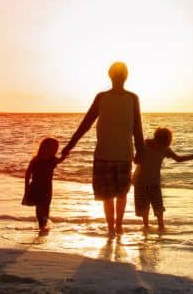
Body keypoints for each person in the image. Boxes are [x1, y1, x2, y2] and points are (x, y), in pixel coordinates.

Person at [61, 62, 144, 237]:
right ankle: (113, 228)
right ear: (112, 76)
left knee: (120, 194)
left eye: (121, 75)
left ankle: (117, 227)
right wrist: (70, 145)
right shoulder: (102, 97)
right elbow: (86, 123)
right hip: (106, 154)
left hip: (122, 154)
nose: (119, 77)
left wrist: (140, 151)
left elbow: (137, 128)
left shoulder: (132, 98)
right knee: (110, 195)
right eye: (118, 74)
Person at [133, 127, 193, 231]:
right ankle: (146, 227)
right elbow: (136, 160)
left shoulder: (165, 149)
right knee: (143, 207)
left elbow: (178, 159)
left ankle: (161, 226)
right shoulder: (145, 145)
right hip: (140, 181)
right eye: (163, 143)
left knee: (158, 206)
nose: (162, 147)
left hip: (154, 182)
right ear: (157, 139)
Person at [22, 137, 66, 233]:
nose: (56, 150)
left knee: (45, 206)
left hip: (47, 187)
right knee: (40, 206)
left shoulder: (52, 160)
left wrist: (66, 151)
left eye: (57, 148)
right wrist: (27, 186)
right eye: (54, 148)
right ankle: (42, 225)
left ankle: (44, 224)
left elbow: (60, 160)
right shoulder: (36, 160)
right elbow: (28, 173)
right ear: (45, 148)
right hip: (36, 186)